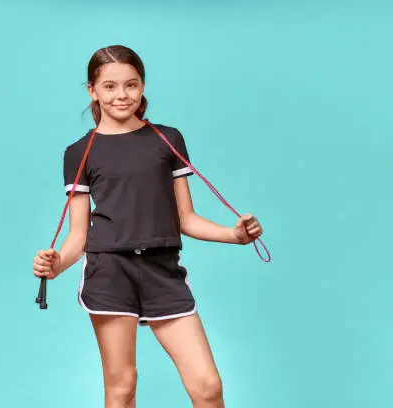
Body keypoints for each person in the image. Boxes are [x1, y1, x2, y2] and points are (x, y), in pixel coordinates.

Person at [32, 45, 263, 408]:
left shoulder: (167, 139)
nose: (121, 95)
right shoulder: (79, 152)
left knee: (207, 386)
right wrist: (56, 264)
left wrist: (234, 236)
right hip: (110, 272)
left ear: (142, 87)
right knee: (122, 389)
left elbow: (186, 219)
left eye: (131, 84)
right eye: (109, 87)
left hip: (161, 269)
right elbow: (78, 236)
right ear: (92, 91)